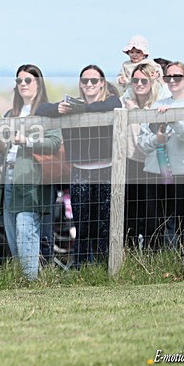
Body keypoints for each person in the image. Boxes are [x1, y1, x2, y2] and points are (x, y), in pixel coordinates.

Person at [36, 65, 121, 267]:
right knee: (82, 225)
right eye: (85, 81)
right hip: (80, 172)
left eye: (94, 80)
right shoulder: (70, 108)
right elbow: (41, 109)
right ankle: (82, 268)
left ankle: (103, 267)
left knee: (104, 225)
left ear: (102, 83)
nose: (89, 84)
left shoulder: (110, 103)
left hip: (105, 171)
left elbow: (114, 103)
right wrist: (59, 109)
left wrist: (81, 108)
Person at [0, 64, 61, 279]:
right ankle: (24, 277)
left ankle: (30, 280)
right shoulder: (9, 114)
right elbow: (2, 150)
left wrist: (27, 140)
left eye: (28, 80)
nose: (22, 84)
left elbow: (54, 142)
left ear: (38, 83)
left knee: (26, 229)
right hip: (8, 178)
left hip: (32, 178)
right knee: (12, 233)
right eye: (19, 81)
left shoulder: (46, 112)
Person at [138, 61, 184, 250]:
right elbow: (142, 143)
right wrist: (157, 140)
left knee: (182, 223)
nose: (172, 80)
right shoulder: (157, 105)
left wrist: (174, 120)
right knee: (153, 224)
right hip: (154, 172)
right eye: (168, 77)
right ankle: (154, 265)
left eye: (177, 76)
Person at [122, 63, 164, 247]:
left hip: (153, 163)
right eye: (135, 80)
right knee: (129, 214)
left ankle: (152, 258)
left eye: (143, 80)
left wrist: (137, 112)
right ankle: (129, 258)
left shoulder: (159, 104)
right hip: (130, 161)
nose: (139, 84)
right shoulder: (125, 102)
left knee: (152, 215)